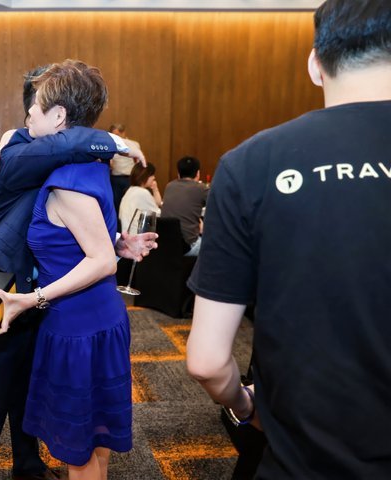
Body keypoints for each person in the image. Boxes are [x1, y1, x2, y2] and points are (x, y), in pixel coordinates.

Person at [186, 1, 391, 477]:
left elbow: (207, 361)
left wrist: (244, 405)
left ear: (315, 64)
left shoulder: (251, 164)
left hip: (302, 459)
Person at [0, 62, 155, 480]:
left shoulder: (73, 157)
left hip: (45, 292)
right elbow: (67, 148)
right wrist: (115, 140)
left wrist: (115, 242)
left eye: (35, 106)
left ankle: (27, 466)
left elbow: (78, 225)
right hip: (3, 287)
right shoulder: (17, 149)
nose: (27, 114)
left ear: (58, 114)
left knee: (30, 388)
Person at [160, 156, 208, 256]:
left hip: (166, 244)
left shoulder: (169, 186)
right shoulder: (201, 188)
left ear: (178, 173)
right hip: (187, 246)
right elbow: (217, 204)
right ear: (198, 173)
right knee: (216, 247)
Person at [108, 123, 144, 216]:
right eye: (113, 135)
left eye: (117, 134)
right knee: (115, 203)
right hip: (115, 179)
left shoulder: (134, 144)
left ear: (123, 133)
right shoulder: (110, 145)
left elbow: (138, 162)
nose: (115, 137)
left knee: (130, 203)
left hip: (130, 178)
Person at [118, 162, 163, 233]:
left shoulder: (131, 190)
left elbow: (156, 204)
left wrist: (155, 188)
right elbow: (158, 214)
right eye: (152, 175)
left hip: (126, 232)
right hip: (135, 234)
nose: (154, 177)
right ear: (144, 176)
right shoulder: (142, 193)